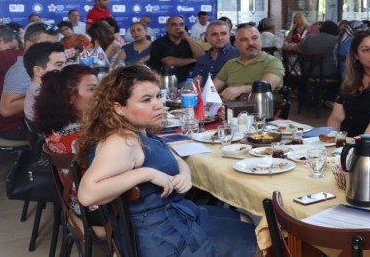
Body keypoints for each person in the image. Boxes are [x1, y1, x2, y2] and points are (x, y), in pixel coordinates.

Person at [76, 65, 258, 257]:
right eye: (146, 100)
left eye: (157, 96)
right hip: (163, 238)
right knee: (258, 239)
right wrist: (146, 173)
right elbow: (87, 195)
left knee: (244, 219)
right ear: (119, 108)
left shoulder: (137, 130)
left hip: (174, 217)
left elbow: (175, 158)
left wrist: (185, 174)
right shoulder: (122, 142)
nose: (158, 105)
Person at [0, 23, 61, 139]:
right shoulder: (14, 58)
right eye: (47, 45)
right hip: (16, 125)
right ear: (30, 45)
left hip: (32, 119)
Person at [33, 65, 98, 216]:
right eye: (92, 89)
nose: (100, 95)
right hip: (100, 210)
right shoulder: (83, 137)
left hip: (77, 205)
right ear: (70, 96)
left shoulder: (56, 128)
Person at [214, 23, 285, 100]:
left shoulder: (273, 62)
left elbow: (266, 87)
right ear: (236, 44)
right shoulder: (230, 64)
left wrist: (240, 89)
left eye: (254, 38)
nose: (250, 43)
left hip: (258, 106)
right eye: (244, 39)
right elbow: (212, 88)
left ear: (261, 40)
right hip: (226, 106)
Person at [148, 16, 205, 82]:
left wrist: (188, 38)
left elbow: (202, 56)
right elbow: (170, 62)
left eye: (181, 25)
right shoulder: (158, 43)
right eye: (174, 25)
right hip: (162, 81)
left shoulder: (188, 42)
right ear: (166, 27)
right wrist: (193, 60)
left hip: (185, 81)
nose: (178, 27)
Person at [22, 42, 68, 121]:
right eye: (59, 65)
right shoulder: (45, 97)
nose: (66, 69)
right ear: (38, 70)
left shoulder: (38, 89)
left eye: (65, 64)